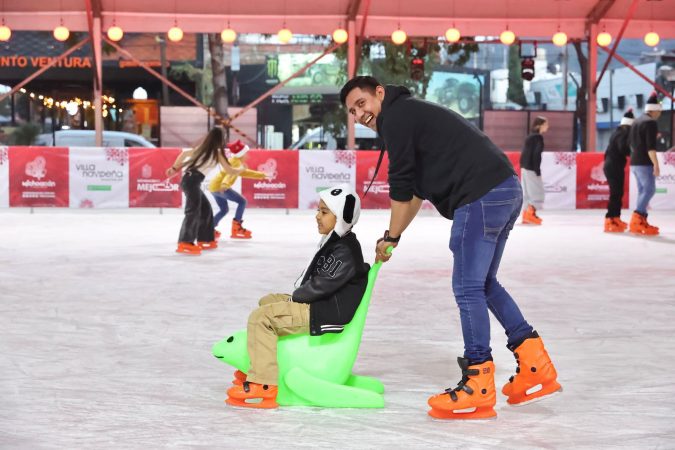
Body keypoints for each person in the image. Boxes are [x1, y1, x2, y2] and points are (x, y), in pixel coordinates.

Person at [341, 76, 561, 420]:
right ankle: (536, 364)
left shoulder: (397, 118)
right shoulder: (407, 115)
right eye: (353, 111)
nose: (359, 114)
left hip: (480, 194)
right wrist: (393, 237)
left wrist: (392, 236)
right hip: (504, 188)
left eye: (362, 104)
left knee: (467, 286)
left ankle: (478, 381)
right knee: (484, 283)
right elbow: (412, 194)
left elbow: (399, 187)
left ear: (379, 94)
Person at [226, 183, 370, 408]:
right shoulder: (335, 242)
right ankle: (263, 364)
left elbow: (320, 286)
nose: (317, 216)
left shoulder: (345, 249)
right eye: (318, 210)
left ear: (342, 217)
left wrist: (295, 297)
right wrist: (293, 297)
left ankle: (263, 383)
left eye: (324, 212)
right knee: (268, 301)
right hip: (319, 304)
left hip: (324, 312)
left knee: (261, 318)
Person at [166, 127, 243, 255]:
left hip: (191, 181)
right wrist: (240, 170)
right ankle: (185, 242)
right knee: (193, 211)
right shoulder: (215, 153)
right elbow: (229, 170)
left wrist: (174, 168)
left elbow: (184, 154)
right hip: (191, 181)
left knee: (206, 209)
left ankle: (205, 239)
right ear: (220, 139)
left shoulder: (204, 150)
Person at [208, 140, 268, 240]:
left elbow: (244, 172)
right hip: (221, 187)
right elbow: (230, 174)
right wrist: (225, 184)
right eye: (246, 153)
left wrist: (261, 175)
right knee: (242, 201)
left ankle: (209, 229)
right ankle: (237, 228)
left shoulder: (235, 161)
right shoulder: (235, 162)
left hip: (214, 187)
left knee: (224, 209)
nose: (247, 155)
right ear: (241, 154)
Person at [628, 92, 661, 235]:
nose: (660, 113)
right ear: (654, 110)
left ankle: (640, 221)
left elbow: (631, 142)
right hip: (644, 162)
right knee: (649, 190)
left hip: (634, 162)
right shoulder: (650, 122)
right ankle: (637, 219)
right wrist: (656, 164)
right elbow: (650, 147)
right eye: (659, 110)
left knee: (643, 191)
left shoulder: (636, 121)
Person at [603, 109, 634, 233]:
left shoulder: (616, 132)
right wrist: (632, 152)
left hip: (611, 165)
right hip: (614, 166)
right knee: (616, 193)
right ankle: (610, 219)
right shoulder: (623, 134)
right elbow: (623, 148)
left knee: (617, 193)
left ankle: (615, 217)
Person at [519, 116, 548, 225]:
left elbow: (525, 153)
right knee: (537, 192)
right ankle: (530, 214)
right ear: (540, 125)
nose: (547, 127)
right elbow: (536, 154)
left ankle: (526, 214)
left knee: (527, 192)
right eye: (546, 124)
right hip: (531, 168)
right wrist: (537, 170)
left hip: (525, 167)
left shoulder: (530, 137)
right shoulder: (538, 138)